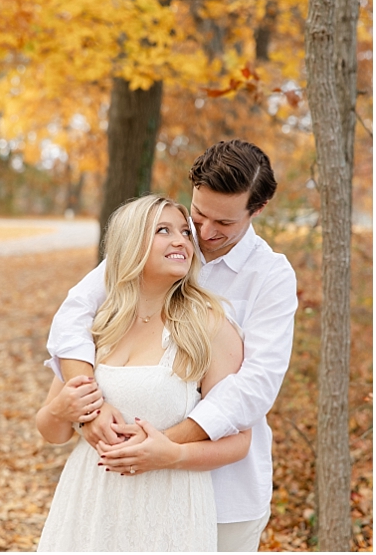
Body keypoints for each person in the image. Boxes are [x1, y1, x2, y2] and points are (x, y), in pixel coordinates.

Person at [44, 139, 298, 551]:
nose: (205, 233)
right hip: (125, 492)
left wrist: (163, 445)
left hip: (226, 493)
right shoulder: (163, 241)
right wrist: (89, 409)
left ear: (257, 210)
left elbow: (254, 388)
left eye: (225, 223)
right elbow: (74, 316)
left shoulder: (269, 276)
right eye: (200, 213)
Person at [36, 194, 250, 551]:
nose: (182, 239)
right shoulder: (99, 324)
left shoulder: (210, 328)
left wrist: (172, 454)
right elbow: (51, 430)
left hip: (168, 507)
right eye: (163, 230)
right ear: (131, 243)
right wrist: (63, 411)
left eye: (185, 232)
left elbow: (239, 441)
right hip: (90, 500)